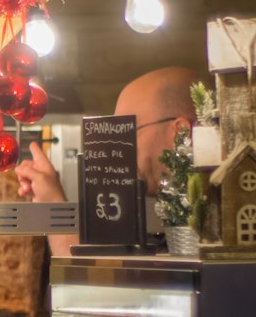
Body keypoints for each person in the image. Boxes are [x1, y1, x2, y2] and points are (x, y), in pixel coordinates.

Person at [15, 65, 200, 256]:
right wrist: (51, 203)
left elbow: (101, 284)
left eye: (128, 132)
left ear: (181, 132)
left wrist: (52, 205)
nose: (118, 150)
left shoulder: (217, 217)